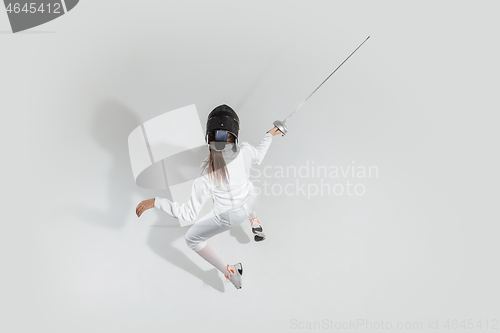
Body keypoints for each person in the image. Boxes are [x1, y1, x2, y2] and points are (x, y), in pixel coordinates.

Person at [136, 104, 282, 289]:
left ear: (208, 136)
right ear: (235, 134)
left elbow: (188, 214)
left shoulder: (207, 172)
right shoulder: (245, 150)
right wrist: (269, 134)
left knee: (191, 239)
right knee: (246, 187)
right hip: (252, 199)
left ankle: (230, 273)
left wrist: (157, 201)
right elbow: (259, 156)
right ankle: (255, 221)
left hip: (232, 216)